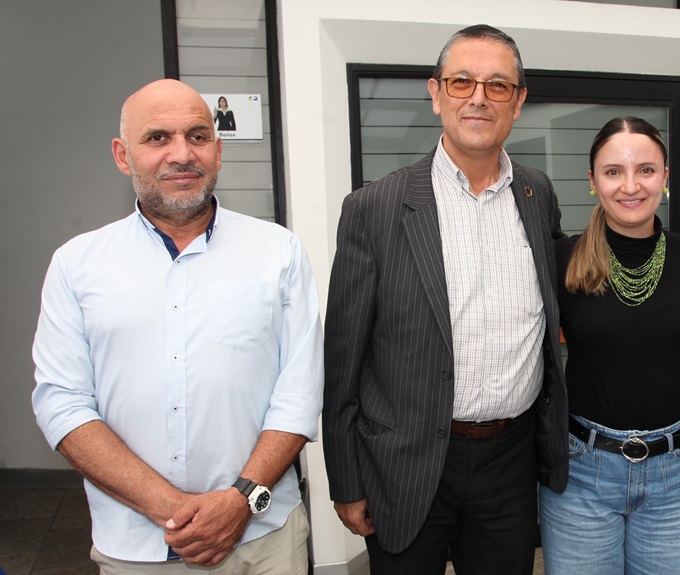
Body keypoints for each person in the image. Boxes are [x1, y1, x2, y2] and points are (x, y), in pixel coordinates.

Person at [32, 79, 324, 573]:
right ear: (123, 155)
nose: (182, 154)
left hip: (263, 540)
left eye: (197, 136)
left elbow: (300, 391)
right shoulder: (77, 264)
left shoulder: (277, 251)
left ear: (217, 151)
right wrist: (173, 510)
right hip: (136, 546)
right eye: (157, 138)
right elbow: (62, 403)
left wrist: (239, 501)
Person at [323, 24, 568, 575]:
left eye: (498, 85)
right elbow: (343, 360)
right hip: (404, 464)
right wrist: (347, 479)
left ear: (518, 102)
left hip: (510, 461)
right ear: (436, 94)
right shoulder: (374, 208)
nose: (479, 97)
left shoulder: (538, 194)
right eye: (462, 82)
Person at [538, 117, 680, 575]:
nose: (630, 186)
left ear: (664, 177)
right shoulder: (562, 259)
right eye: (613, 172)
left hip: (675, 472)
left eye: (645, 170)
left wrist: (672, 375)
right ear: (592, 181)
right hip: (581, 470)